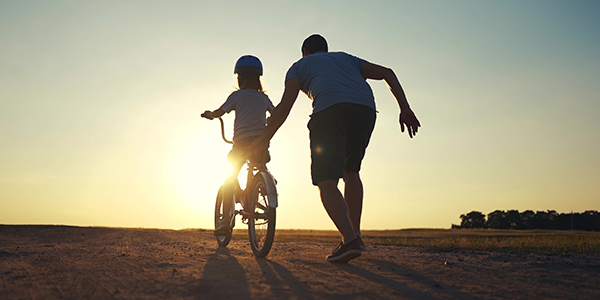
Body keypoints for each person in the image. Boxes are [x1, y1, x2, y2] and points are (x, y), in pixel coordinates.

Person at [249, 34, 421, 263]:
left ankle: (349, 241)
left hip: (330, 112)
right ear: (325, 50)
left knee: (326, 181)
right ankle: (356, 236)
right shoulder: (347, 59)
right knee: (352, 172)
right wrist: (405, 108)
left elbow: (285, 107)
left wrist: (264, 139)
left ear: (305, 52)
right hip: (365, 110)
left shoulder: (298, 66)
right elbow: (387, 73)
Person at [202, 55, 275, 235]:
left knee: (230, 177)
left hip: (241, 145)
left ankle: (226, 220)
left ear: (239, 78)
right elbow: (275, 113)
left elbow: (220, 111)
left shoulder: (237, 96)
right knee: (260, 165)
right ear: (259, 79)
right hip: (260, 145)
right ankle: (263, 185)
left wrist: (210, 114)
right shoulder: (263, 98)